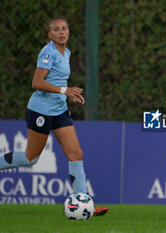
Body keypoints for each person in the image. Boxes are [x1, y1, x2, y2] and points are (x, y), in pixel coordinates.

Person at [0, 17, 108, 216]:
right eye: (56, 29)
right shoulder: (48, 53)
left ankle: (85, 206)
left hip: (59, 111)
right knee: (30, 158)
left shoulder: (65, 52)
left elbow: (58, 82)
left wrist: (71, 95)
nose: (61, 32)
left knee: (76, 154)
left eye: (64, 28)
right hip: (40, 111)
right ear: (49, 34)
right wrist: (65, 90)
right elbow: (37, 82)